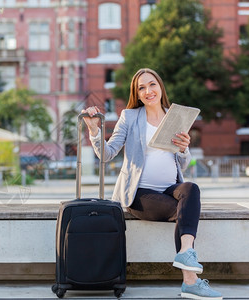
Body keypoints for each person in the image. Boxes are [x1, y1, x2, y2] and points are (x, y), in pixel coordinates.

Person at [82, 68, 222, 300]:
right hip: (139, 194)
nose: (148, 91)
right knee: (184, 212)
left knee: (191, 189)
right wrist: (95, 131)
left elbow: (182, 164)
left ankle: (186, 253)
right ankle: (190, 281)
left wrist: (184, 148)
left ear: (160, 87)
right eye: (141, 88)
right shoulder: (130, 117)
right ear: (137, 94)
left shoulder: (174, 116)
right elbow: (107, 154)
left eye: (152, 85)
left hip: (169, 188)